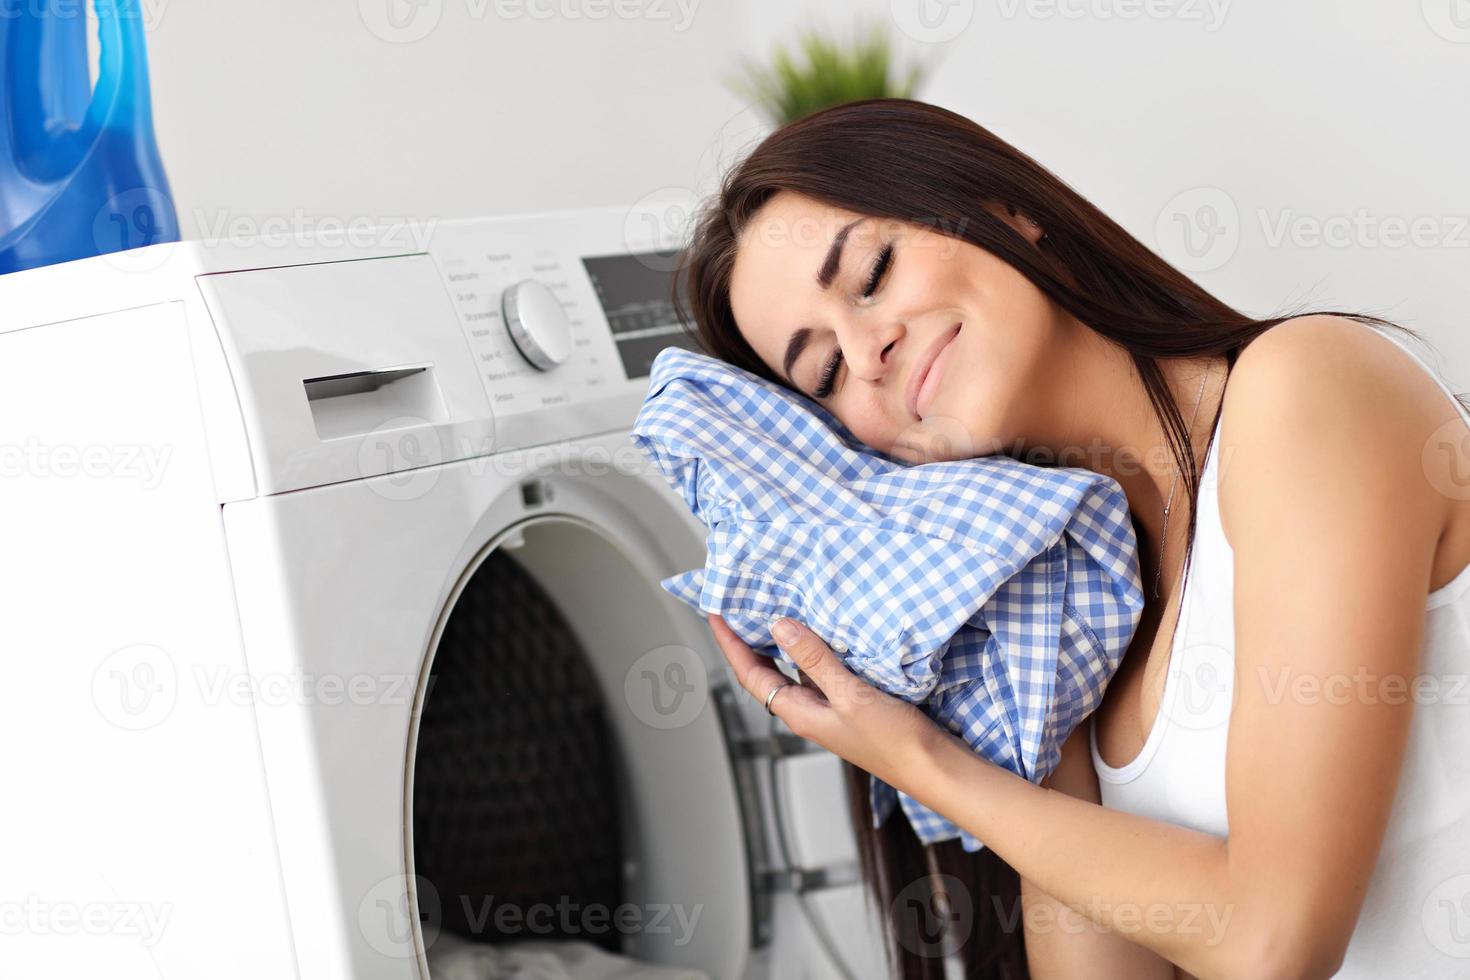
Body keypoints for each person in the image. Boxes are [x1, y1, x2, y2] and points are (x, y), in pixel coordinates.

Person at [674, 97, 1470, 979]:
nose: (867, 353)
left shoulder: (1307, 389)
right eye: (823, 370)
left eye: (872, 274)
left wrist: (923, 765)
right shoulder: (1064, 608)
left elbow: (1273, 942)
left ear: (1008, 211)